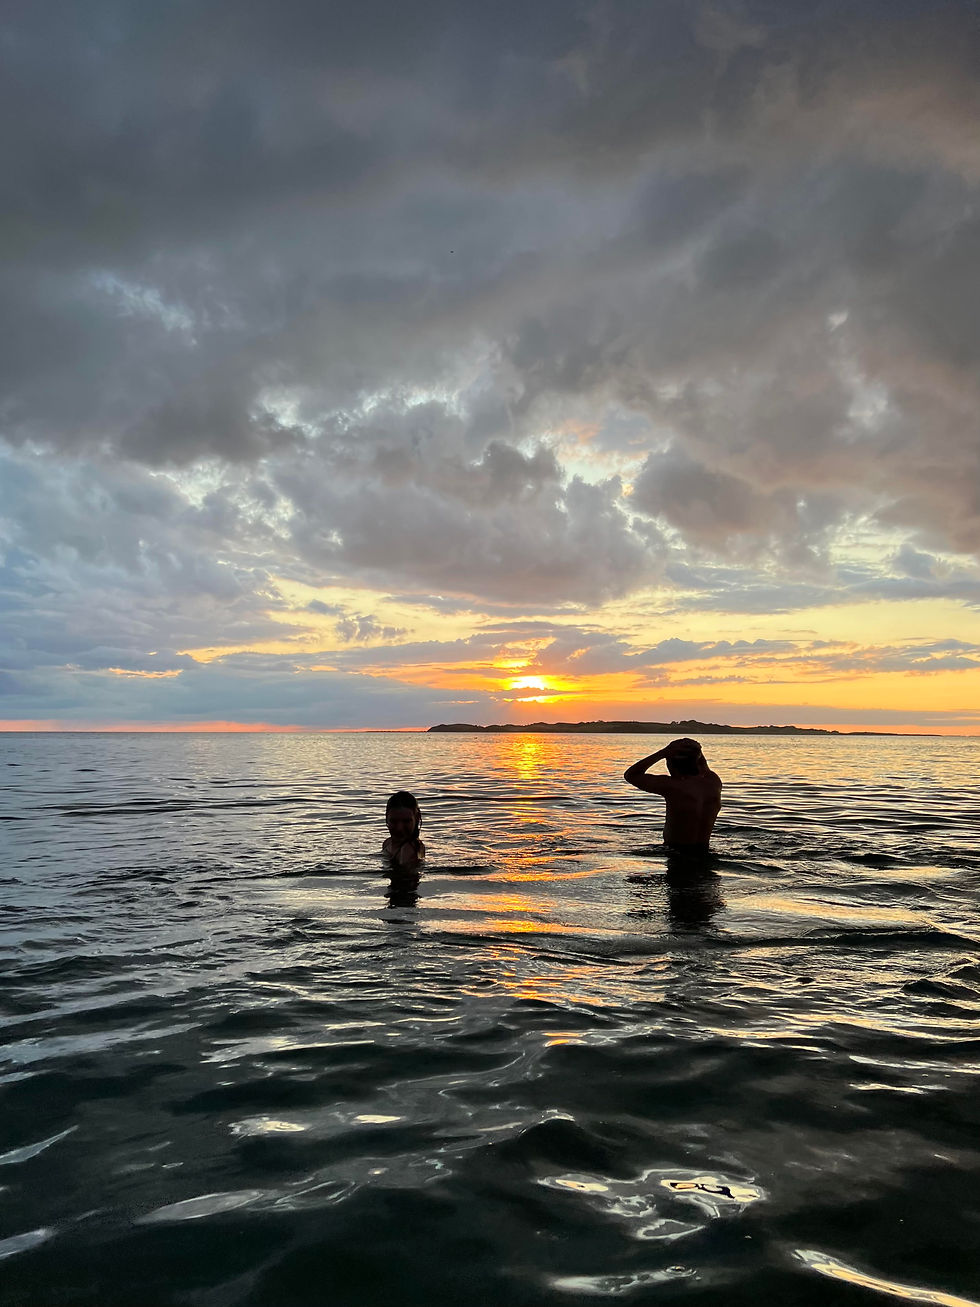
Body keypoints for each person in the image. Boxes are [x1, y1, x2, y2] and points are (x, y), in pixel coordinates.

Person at [623, 738, 721, 854]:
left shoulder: (672, 786)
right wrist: (696, 750)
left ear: (670, 763)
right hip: (705, 851)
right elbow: (702, 766)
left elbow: (631, 775)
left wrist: (662, 753)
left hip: (676, 852)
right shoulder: (713, 782)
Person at [382, 790, 426, 871]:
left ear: (417, 818)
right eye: (394, 821)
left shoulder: (407, 852)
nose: (399, 828)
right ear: (386, 818)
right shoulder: (387, 843)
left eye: (406, 821)